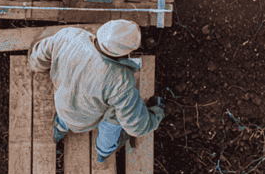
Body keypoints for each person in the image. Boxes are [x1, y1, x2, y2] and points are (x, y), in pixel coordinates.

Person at [28, 20, 164, 163]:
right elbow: (136, 127)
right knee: (115, 117)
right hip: (87, 118)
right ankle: (103, 151)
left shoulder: (69, 35)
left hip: (63, 105)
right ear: (126, 52)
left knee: (68, 110)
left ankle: (59, 129)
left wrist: (42, 68)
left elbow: (37, 57)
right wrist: (156, 113)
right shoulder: (121, 81)